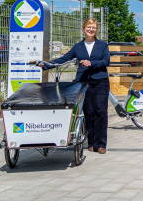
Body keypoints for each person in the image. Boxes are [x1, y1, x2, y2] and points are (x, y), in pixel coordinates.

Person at [32, 18, 110, 154]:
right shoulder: (78, 46)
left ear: (96, 30)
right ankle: (91, 142)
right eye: (88, 27)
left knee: (101, 112)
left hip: (100, 81)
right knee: (88, 112)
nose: (91, 30)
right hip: (83, 81)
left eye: (93, 27)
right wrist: (46, 64)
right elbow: (63, 59)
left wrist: (92, 63)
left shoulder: (102, 45)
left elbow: (106, 61)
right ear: (84, 28)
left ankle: (101, 143)